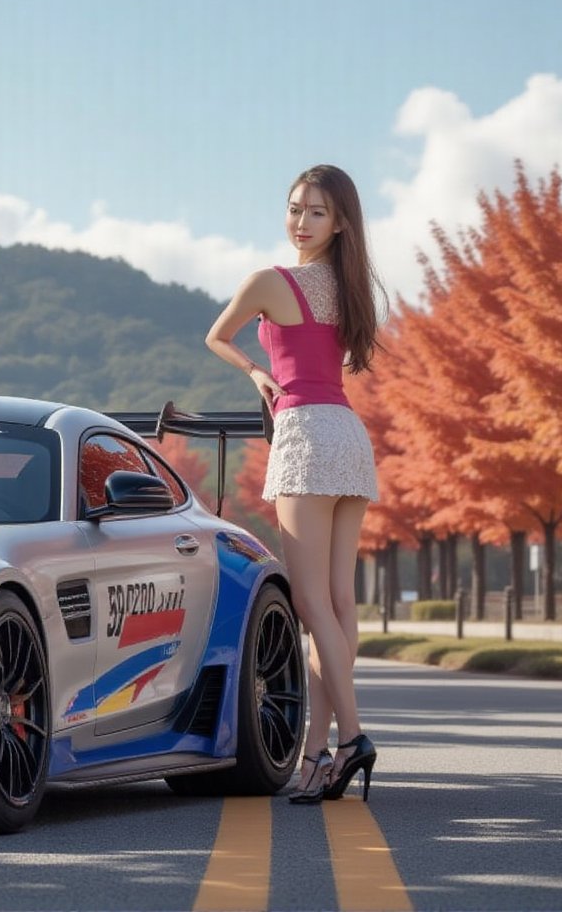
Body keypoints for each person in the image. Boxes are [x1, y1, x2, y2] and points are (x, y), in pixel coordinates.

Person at [205, 163, 383, 803]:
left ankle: (352, 737)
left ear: (337, 223)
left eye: (314, 212)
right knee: (338, 603)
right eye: (294, 208)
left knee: (312, 606)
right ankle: (317, 754)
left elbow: (215, 337)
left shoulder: (269, 281)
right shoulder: (352, 288)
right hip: (349, 435)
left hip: (306, 435)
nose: (299, 222)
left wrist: (254, 371)